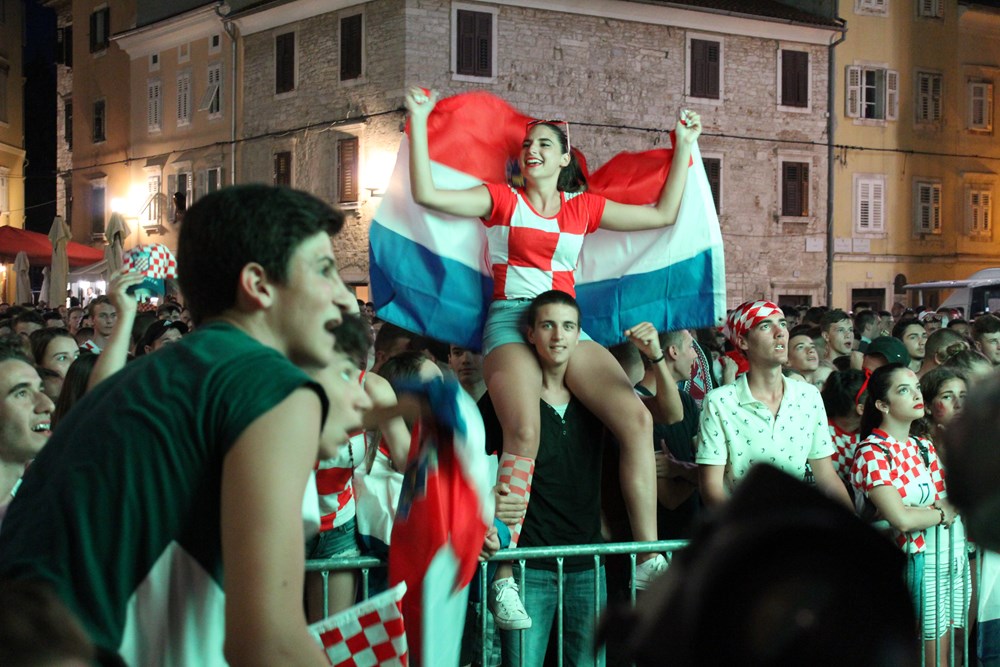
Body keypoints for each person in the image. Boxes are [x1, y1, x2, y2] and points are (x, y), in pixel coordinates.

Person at [0, 185, 367, 666]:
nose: (343, 298)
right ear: (258, 285)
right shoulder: (264, 383)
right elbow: (268, 644)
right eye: (324, 270)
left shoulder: (145, 379)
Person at [404, 87, 701, 626]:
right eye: (527, 144)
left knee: (636, 419)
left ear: (565, 159)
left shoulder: (583, 208)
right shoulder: (501, 199)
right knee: (524, 435)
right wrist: (420, 120)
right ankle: (504, 574)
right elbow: (426, 193)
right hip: (512, 321)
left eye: (544, 143)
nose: (532, 150)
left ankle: (647, 556)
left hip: (564, 324)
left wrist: (683, 145)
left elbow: (662, 212)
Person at [478, 291, 608, 666]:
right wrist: (485, 500)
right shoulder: (505, 399)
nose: (558, 335)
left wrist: (656, 359)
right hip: (527, 564)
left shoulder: (597, 399)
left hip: (587, 563)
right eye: (548, 325)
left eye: (567, 326)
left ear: (579, 335)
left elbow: (662, 414)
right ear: (530, 334)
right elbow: (470, 462)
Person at [850, 363, 960, 665]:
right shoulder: (872, 451)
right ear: (882, 405)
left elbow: (948, 502)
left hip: (942, 559)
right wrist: (938, 513)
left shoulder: (922, 446)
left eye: (916, 388)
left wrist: (926, 511)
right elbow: (902, 519)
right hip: (906, 565)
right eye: (903, 390)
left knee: (946, 652)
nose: (916, 395)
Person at [697, 301, 851, 509]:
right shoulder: (720, 402)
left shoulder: (808, 396)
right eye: (765, 326)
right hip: (744, 523)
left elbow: (826, 476)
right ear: (743, 341)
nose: (780, 333)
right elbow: (711, 487)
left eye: (782, 324)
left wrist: (853, 524)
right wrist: (741, 527)